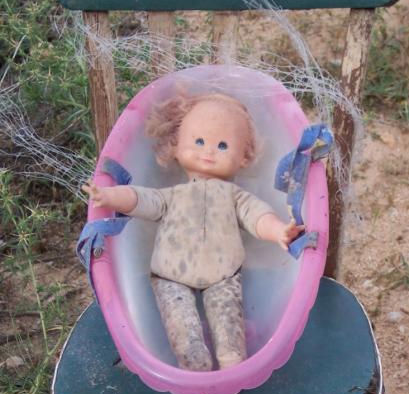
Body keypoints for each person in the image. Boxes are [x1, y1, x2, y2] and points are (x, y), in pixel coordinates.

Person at [83, 92, 302, 371]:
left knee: (229, 330)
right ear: (175, 144)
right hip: (170, 276)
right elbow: (140, 198)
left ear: (244, 156)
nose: (209, 152)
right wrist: (109, 196)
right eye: (199, 141)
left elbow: (258, 216)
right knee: (183, 331)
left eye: (222, 145)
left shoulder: (234, 196)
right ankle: (194, 367)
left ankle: (233, 368)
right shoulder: (172, 195)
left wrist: (280, 231)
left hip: (224, 276)